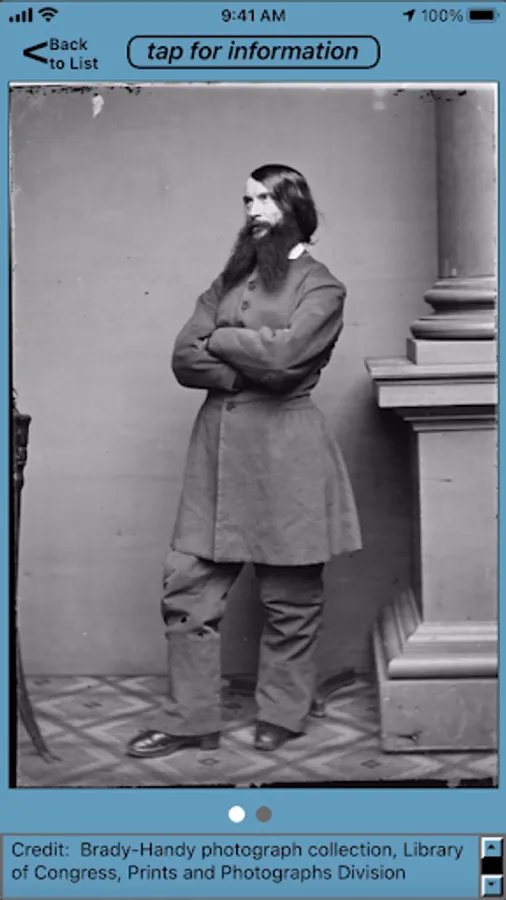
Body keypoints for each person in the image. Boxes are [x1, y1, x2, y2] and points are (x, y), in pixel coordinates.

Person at [127, 164, 362, 760]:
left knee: (291, 600)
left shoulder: (323, 288)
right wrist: (247, 361)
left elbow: (285, 363)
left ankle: (282, 712)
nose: (253, 210)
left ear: (294, 206)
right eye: (247, 200)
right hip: (216, 453)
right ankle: (191, 720)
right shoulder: (229, 279)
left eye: (264, 199)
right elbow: (184, 358)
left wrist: (222, 339)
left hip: (288, 456)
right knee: (187, 591)